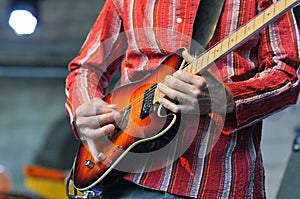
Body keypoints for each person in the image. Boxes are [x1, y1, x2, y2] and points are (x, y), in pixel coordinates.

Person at [65, 0, 300, 198]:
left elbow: (287, 74)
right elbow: (87, 67)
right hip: (127, 178)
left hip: (216, 181)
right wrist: (84, 110)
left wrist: (225, 99)